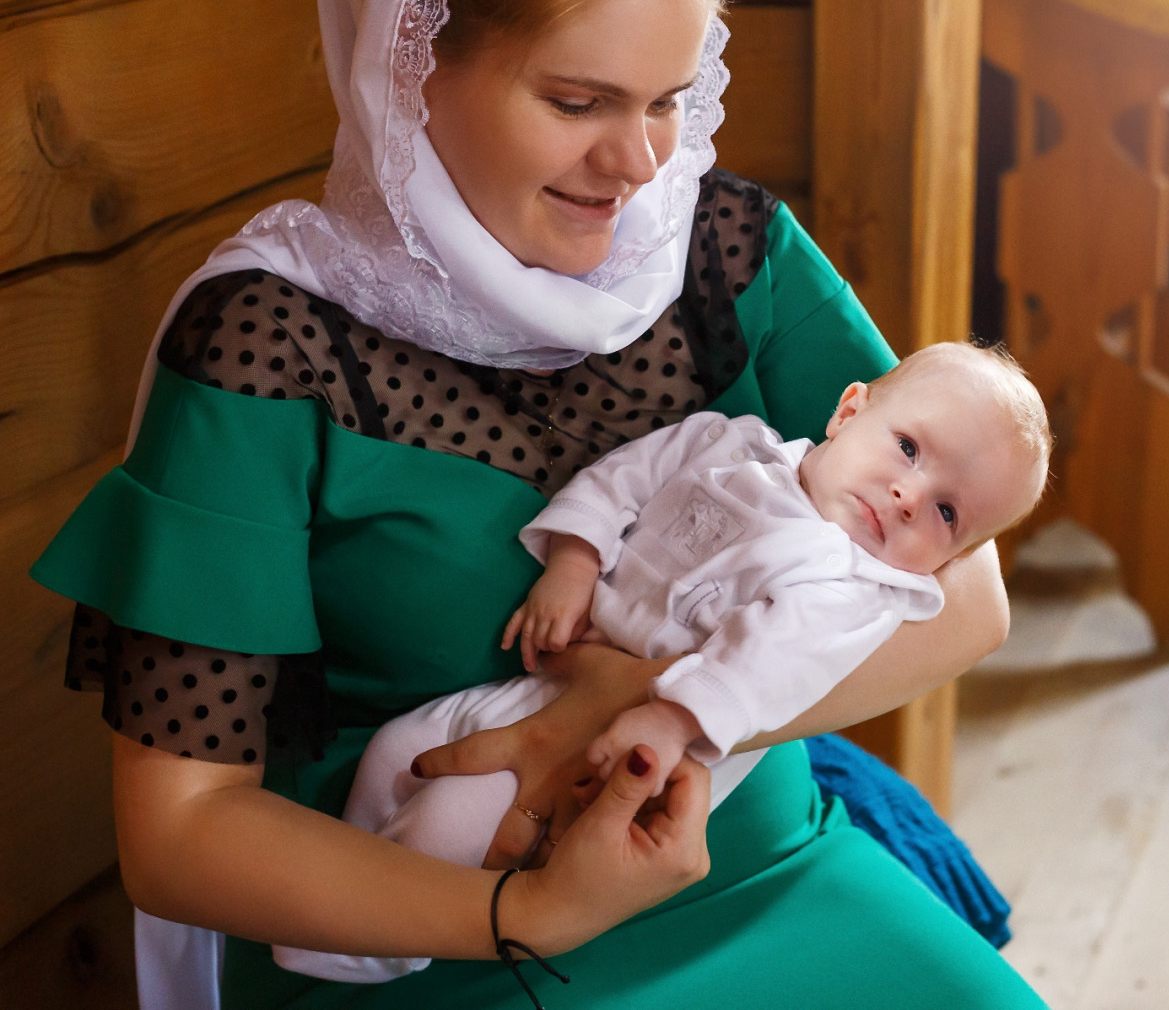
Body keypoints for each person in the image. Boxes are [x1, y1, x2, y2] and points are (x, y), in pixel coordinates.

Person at [30, 0, 1050, 1006]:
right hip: (442, 932)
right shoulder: (267, 350)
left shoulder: (724, 250)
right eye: (577, 103)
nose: (642, 163)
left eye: (669, 97)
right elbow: (180, 836)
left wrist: (642, 709)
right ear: (408, 70)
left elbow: (965, 599)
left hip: (765, 863)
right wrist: (528, 914)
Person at [273, 343, 1051, 983]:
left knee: (450, 818)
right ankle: (341, 900)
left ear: (951, 554)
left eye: (947, 513)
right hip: (538, 682)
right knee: (398, 752)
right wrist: (575, 561)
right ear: (850, 411)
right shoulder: (730, 444)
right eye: (909, 449)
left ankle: (376, 953)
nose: (910, 494)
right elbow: (625, 480)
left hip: (639, 752)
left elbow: (764, 669)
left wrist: (669, 717)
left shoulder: (852, 591)